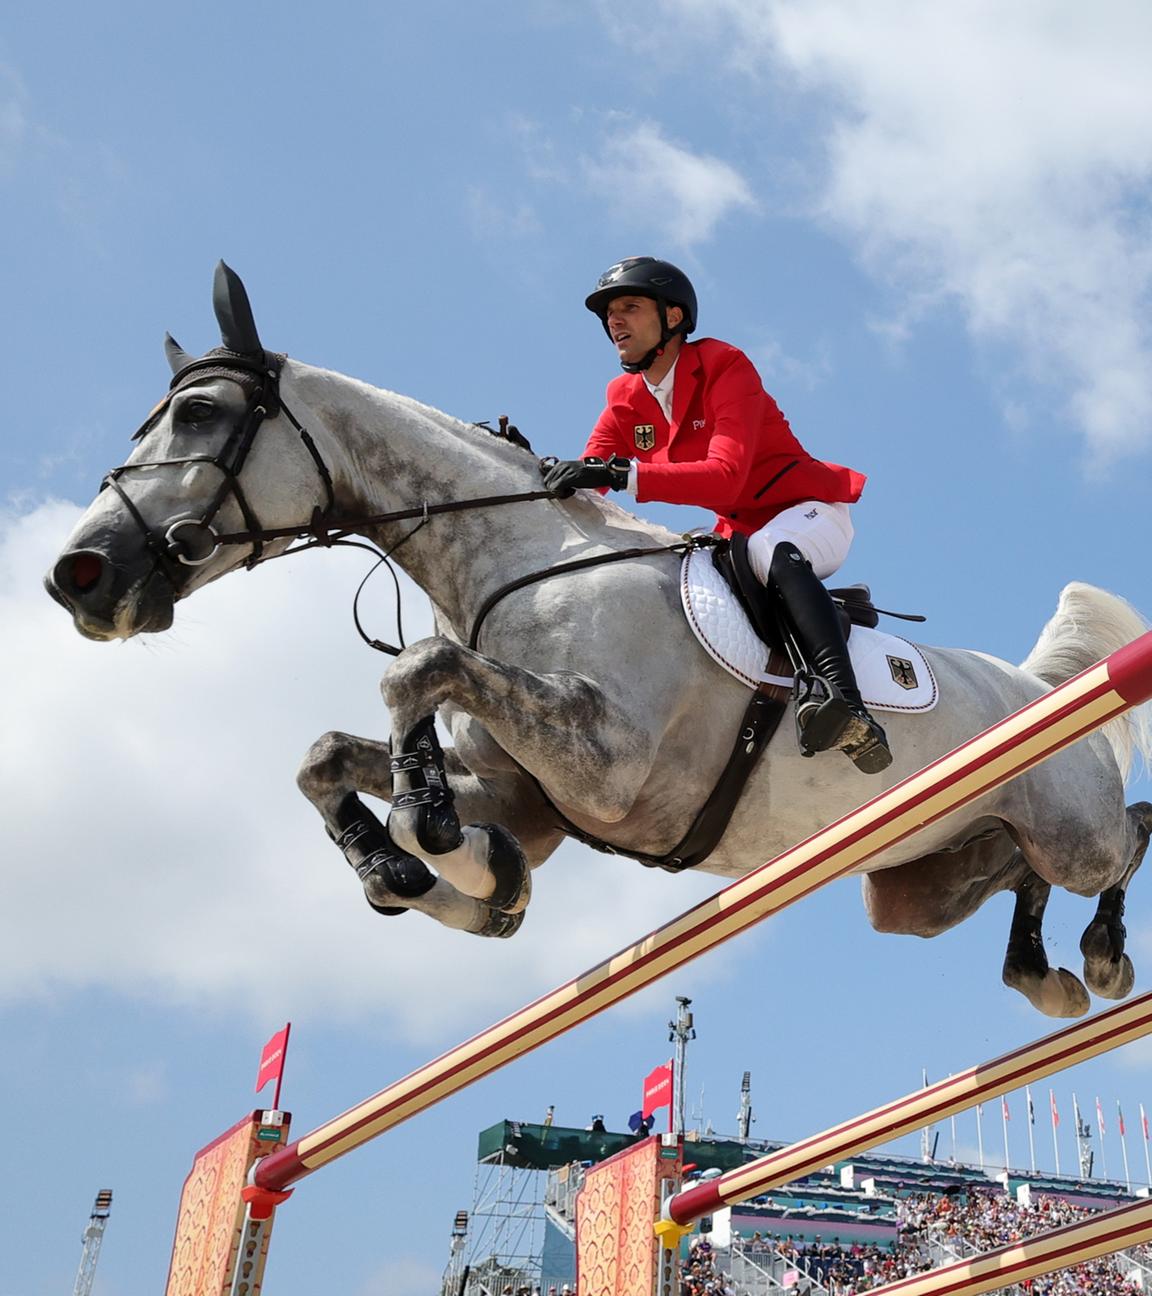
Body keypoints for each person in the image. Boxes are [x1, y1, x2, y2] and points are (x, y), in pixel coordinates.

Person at [543, 256, 891, 773]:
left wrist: (624, 475)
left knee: (770, 548)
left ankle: (848, 703)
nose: (615, 321)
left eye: (630, 308)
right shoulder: (624, 396)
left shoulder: (725, 365)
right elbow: (593, 473)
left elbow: (724, 475)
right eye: (610, 313)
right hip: (739, 535)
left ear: (674, 318)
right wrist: (536, 475)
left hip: (809, 512)